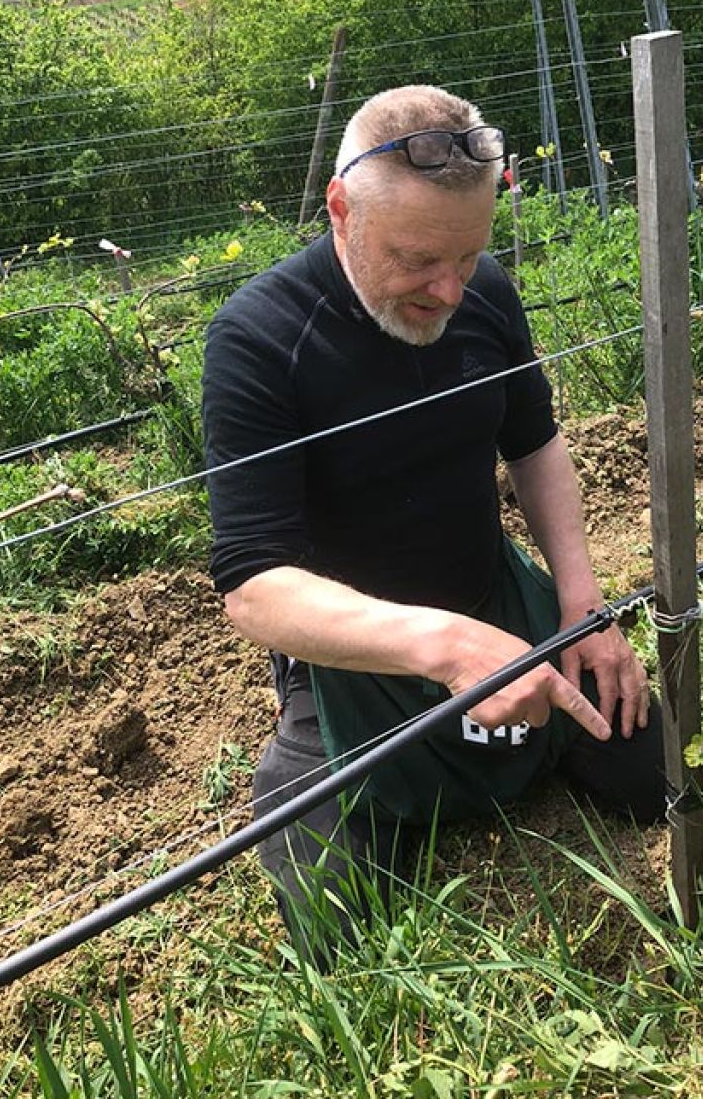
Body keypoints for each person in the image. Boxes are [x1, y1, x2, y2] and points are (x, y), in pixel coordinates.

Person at [202, 84, 665, 956]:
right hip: (356, 654)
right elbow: (255, 587)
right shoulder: (259, 338)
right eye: (417, 259)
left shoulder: (483, 290)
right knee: (333, 924)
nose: (449, 289)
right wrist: (448, 647)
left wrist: (581, 609)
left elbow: (535, 445)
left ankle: (515, 720)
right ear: (341, 210)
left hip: (493, 595)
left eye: (469, 255)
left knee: (657, 775)